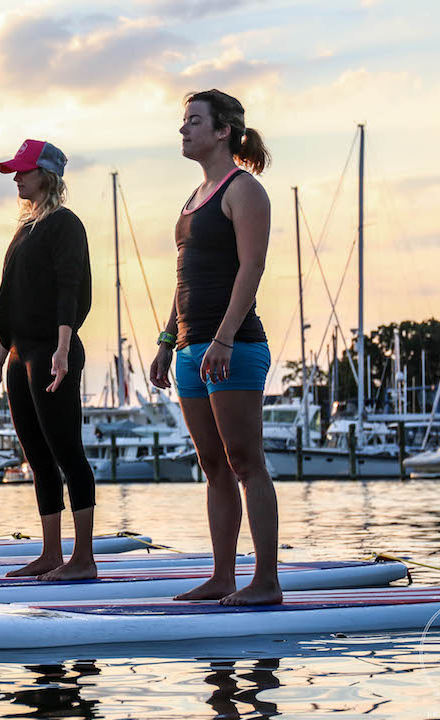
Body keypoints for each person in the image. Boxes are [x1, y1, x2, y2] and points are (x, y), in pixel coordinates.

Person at [150, 89, 281, 606]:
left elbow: (251, 269)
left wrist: (224, 337)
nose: (184, 130)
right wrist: (167, 340)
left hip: (234, 346)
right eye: (183, 122)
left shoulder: (244, 190)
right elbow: (184, 281)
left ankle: (265, 581)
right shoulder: (192, 198)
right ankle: (223, 577)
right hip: (189, 348)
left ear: (223, 130)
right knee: (213, 467)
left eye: (193, 121)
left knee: (247, 461)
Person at [0, 139, 97, 581]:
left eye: (24, 171)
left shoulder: (65, 224)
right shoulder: (24, 228)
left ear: (46, 174)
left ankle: (83, 559)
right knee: (37, 458)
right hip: (18, 353)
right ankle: (51, 553)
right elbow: (8, 299)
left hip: (52, 350)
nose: (16, 177)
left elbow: (69, 287)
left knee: (68, 452)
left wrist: (64, 347)